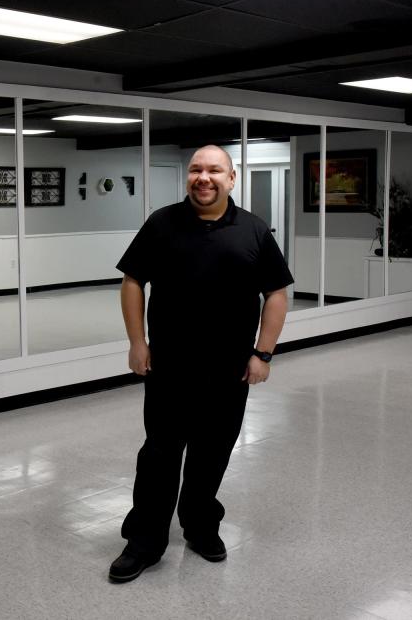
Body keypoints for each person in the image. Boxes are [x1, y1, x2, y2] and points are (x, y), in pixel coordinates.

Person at [108, 145, 294, 583]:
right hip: (169, 365)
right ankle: (146, 540)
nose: (203, 177)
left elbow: (278, 293)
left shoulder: (253, 230)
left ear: (231, 179)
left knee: (212, 453)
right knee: (159, 454)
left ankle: (200, 525)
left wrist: (263, 353)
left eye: (214, 170)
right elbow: (133, 281)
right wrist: (138, 343)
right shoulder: (161, 224)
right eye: (196, 169)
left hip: (229, 369)